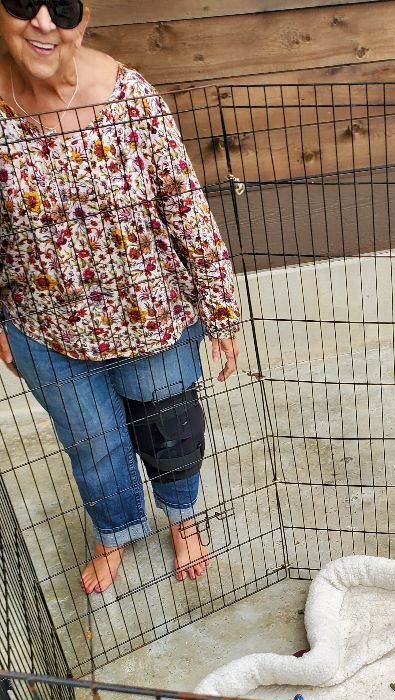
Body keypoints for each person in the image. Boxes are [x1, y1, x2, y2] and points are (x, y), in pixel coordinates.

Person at [0, 1, 241, 593]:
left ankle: (182, 519)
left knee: (170, 429)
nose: (43, 22)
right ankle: (116, 532)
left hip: (151, 314)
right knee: (92, 444)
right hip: (44, 327)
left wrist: (220, 308)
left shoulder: (132, 98)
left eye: (62, 5)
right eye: (21, 0)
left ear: (84, 17)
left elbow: (185, 207)